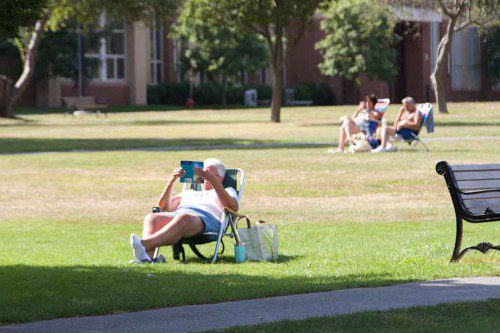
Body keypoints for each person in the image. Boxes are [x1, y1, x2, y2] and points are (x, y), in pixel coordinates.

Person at [129, 158, 239, 262]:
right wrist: (172, 180)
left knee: (184, 217)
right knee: (152, 217)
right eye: (204, 174)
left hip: (207, 219)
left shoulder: (227, 190)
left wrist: (213, 181)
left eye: (211, 174)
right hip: (181, 214)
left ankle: (143, 245)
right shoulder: (189, 192)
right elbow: (164, 206)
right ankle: (146, 259)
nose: (206, 178)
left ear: (221, 178)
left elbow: (232, 207)